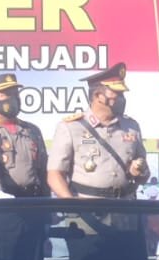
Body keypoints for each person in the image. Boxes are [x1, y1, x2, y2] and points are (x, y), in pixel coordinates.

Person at [48, 63, 149, 199]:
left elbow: (144, 173)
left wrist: (139, 171)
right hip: (87, 211)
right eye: (116, 93)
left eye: (122, 94)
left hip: (125, 210)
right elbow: (55, 175)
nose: (121, 98)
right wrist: (72, 205)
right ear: (98, 96)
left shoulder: (131, 127)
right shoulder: (71, 127)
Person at [0, 72, 49, 198]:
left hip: (33, 199)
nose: (13, 99)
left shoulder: (32, 130)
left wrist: (48, 200)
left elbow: (43, 169)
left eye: (15, 94)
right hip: (0, 202)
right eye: (6, 95)